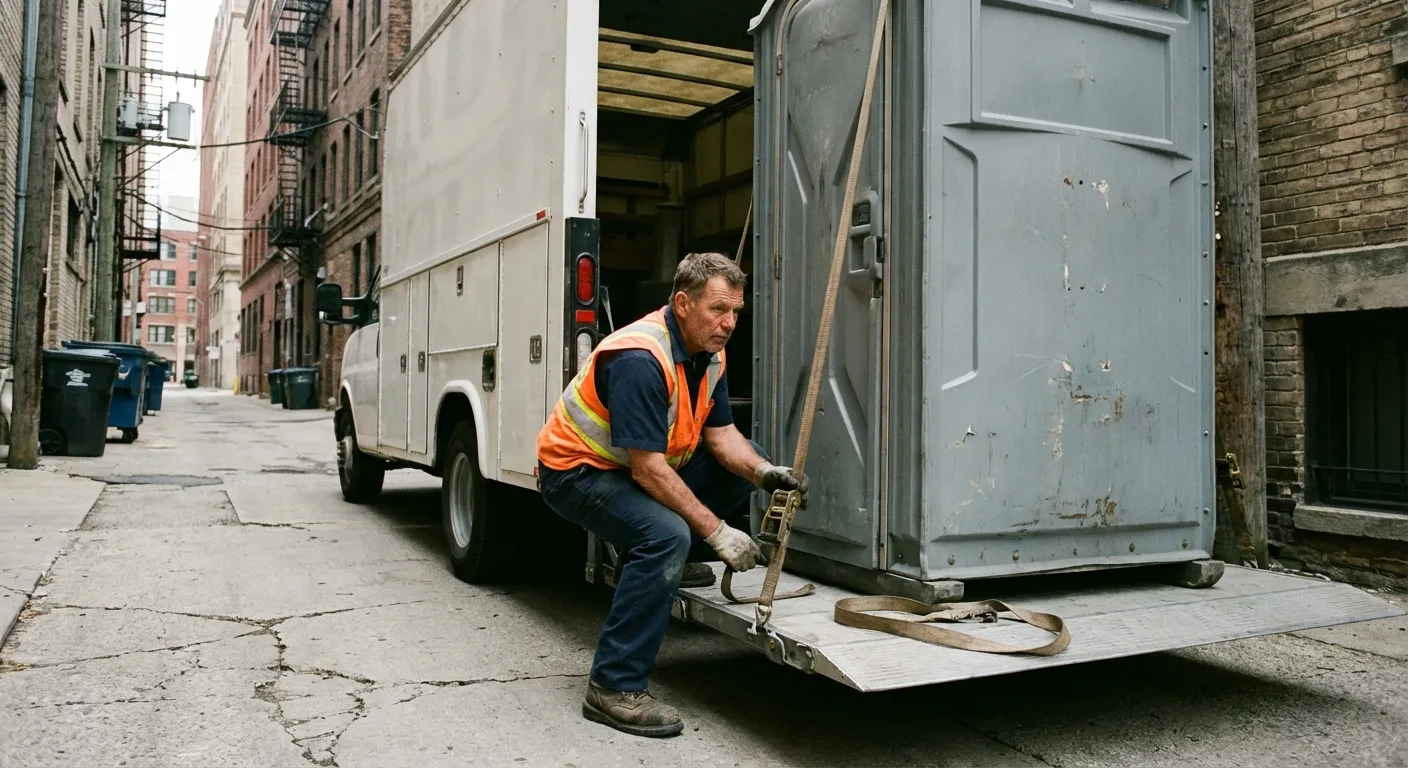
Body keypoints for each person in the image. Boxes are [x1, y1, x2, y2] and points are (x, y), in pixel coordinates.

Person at [536, 252, 807, 738]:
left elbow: (723, 438)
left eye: (736, 312)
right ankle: (612, 687)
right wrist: (719, 533)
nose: (729, 324)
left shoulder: (710, 354)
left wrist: (765, 473)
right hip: (576, 473)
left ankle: (645, 568)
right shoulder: (641, 358)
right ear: (682, 303)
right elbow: (648, 469)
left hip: (633, 470)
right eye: (718, 310)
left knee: (746, 465)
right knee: (665, 537)